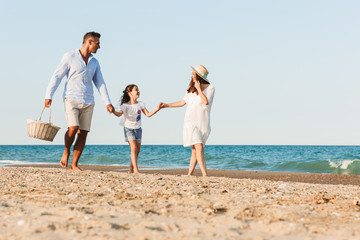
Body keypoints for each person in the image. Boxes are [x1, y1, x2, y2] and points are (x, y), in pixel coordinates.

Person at [44, 31, 114, 171]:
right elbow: (57, 76)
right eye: (97, 43)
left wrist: (107, 102)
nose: (99, 46)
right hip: (71, 98)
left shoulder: (94, 62)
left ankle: (74, 164)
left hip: (88, 101)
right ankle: (66, 150)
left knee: (83, 132)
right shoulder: (70, 56)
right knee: (73, 128)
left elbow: (100, 83)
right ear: (89, 42)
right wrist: (49, 95)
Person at [161, 64, 215, 176]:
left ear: (198, 76)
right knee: (198, 146)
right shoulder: (191, 90)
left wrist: (199, 88)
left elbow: (205, 102)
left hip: (203, 123)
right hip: (190, 122)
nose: (191, 75)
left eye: (193, 73)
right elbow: (182, 102)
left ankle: (189, 173)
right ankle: (205, 174)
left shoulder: (210, 88)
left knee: (196, 150)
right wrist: (167, 105)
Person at [113, 84, 162, 173]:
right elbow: (119, 114)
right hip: (128, 128)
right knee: (134, 148)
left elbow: (148, 114)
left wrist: (158, 108)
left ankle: (131, 168)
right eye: (136, 90)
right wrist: (113, 111)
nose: (138, 91)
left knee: (137, 151)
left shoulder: (140, 104)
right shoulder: (125, 105)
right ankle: (136, 170)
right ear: (130, 92)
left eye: (138, 89)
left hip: (138, 129)